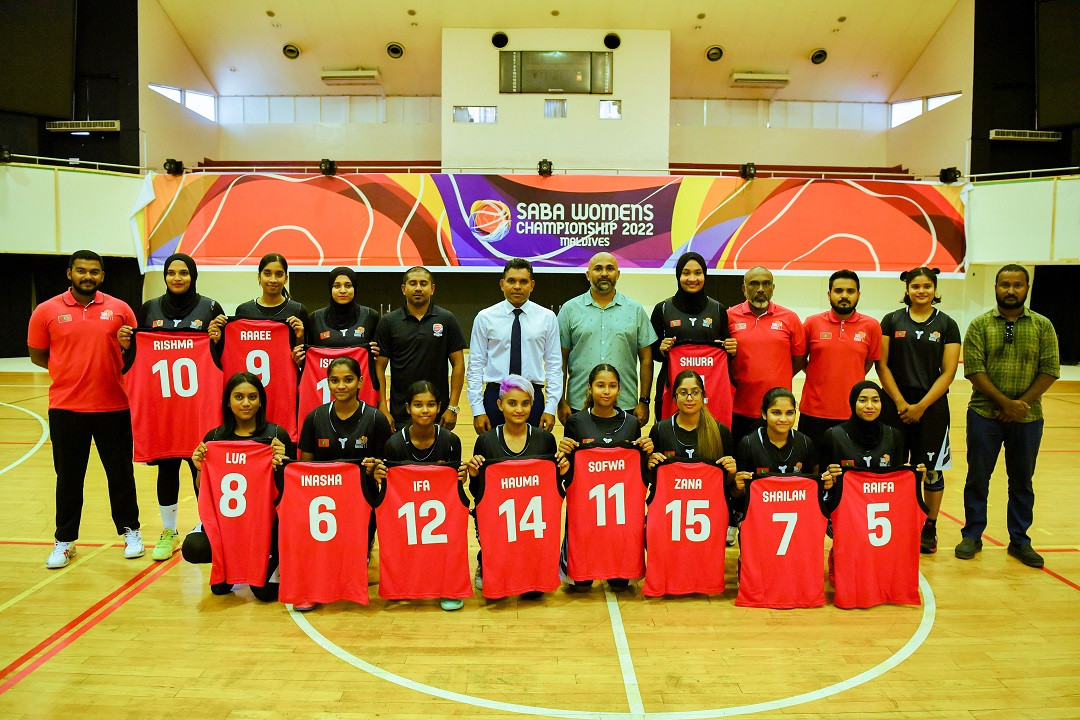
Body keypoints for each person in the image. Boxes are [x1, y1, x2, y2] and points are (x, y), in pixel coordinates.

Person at [28, 250, 144, 568]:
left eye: (94, 271)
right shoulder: (45, 311)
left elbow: (135, 353)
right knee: (68, 478)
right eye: (81, 271)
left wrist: (123, 347)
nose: (87, 276)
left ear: (102, 276)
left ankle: (131, 532)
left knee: (121, 475)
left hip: (114, 407)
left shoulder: (121, 310)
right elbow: (38, 355)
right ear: (69, 273)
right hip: (66, 408)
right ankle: (64, 541)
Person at [117, 252, 226, 561]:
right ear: (164, 276)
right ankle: (168, 529)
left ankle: (207, 525)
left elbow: (222, 356)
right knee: (166, 467)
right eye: (171, 273)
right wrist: (128, 345)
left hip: (199, 409)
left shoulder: (210, 308)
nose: (177, 278)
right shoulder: (150, 309)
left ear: (193, 276)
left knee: (201, 467)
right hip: (162, 409)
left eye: (184, 273)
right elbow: (136, 356)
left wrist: (217, 339)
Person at [955, 264, 1059, 568]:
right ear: (996, 288)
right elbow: (974, 369)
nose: (1010, 290)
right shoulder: (979, 325)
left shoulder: (1043, 325)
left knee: (1022, 481)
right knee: (978, 478)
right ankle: (972, 534)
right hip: (984, 416)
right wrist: (1004, 403)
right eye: (1004, 285)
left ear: (1026, 288)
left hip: (1027, 419)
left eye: (1017, 285)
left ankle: (1020, 540)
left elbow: (1050, 369)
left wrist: (1020, 405)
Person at [185, 372, 292, 600]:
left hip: (265, 526)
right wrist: (199, 468)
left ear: (261, 400)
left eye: (252, 397)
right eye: (239, 397)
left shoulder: (275, 435)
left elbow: (290, 493)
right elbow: (203, 490)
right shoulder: (214, 438)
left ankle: (276, 559)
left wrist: (283, 466)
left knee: (265, 594)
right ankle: (228, 564)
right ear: (228, 401)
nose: (246, 403)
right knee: (193, 547)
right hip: (227, 524)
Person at [876, 267, 961, 554]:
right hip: (895, 406)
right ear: (907, 289)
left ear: (935, 289)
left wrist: (922, 406)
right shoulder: (891, 320)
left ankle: (929, 527)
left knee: (932, 471)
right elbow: (882, 365)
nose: (921, 291)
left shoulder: (948, 324)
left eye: (927, 286)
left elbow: (948, 372)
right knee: (896, 469)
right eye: (915, 286)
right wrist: (900, 402)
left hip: (932, 408)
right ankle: (898, 523)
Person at [465, 375, 570, 599]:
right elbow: (478, 494)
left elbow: (552, 490)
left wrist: (563, 470)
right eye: (512, 403)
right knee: (497, 593)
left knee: (534, 594)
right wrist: (474, 475)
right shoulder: (486, 441)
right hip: (499, 524)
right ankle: (486, 561)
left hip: (532, 527)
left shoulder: (544, 440)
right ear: (500, 405)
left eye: (525, 403)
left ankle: (534, 568)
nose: (519, 410)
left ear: (532, 405)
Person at [558, 363, 654, 590]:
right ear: (589, 388)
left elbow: (638, 470)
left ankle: (619, 560)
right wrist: (563, 454)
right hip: (585, 516)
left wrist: (647, 452)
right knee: (580, 586)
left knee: (621, 585)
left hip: (619, 519)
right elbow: (568, 474)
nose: (606, 391)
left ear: (620, 390)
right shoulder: (575, 422)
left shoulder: (631, 424)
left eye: (612, 386)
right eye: (600, 385)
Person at [376, 380, 466, 611]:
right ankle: (400, 583)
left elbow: (455, 487)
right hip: (407, 519)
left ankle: (448, 587)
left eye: (430, 405)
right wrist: (379, 474)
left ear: (439, 407)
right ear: (407, 408)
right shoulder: (394, 444)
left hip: (440, 519)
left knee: (448, 539)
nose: (424, 411)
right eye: (418, 405)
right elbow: (388, 489)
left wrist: (461, 478)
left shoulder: (450, 441)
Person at [557, 252, 657, 427]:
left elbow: (647, 359)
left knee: (623, 455)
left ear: (618, 274)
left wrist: (644, 401)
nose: (604, 273)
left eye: (610, 268)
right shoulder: (569, 309)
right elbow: (559, 360)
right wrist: (560, 400)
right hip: (578, 405)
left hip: (626, 405)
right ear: (588, 274)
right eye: (598, 268)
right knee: (580, 455)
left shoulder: (635, 310)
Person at [468, 258, 562, 432]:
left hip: (532, 396)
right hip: (495, 395)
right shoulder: (485, 317)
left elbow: (554, 366)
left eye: (523, 281)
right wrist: (477, 410)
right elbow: (475, 366)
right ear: (502, 284)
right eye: (511, 281)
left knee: (532, 453)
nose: (517, 286)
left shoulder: (547, 318)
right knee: (495, 454)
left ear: (532, 285)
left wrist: (550, 408)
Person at [798, 269, 882, 462]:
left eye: (850, 291)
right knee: (814, 469)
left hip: (852, 413)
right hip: (814, 412)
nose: (844, 295)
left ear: (858, 295)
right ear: (829, 294)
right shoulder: (811, 323)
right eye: (838, 290)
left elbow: (867, 363)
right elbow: (802, 360)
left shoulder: (871, 326)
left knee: (847, 470)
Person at [374, 266, 466, 431]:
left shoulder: (447, 319)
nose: (418, 288)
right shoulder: (388, 321)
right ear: (404, 289)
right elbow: (379, 367)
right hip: (400, 414)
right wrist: (383, 407)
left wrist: (452, 407)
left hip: (437, 413)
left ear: (432, 289)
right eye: (413, 283)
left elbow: (458, 364)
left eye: (423, 283)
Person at [649, 252, 735, 421]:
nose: (692, 278)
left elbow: (726, 354)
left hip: (710, 393)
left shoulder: (718, 310)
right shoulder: (663, 309)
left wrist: (732, 350)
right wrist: (661, 349)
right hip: (671, 390)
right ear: (678, 275)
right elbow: (653, 354)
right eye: (686, 273)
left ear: (705, 275)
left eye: (698, 273)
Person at [726, 266, 806, 445]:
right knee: (742, 465)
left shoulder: (790, 318)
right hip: (739, 408)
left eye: (766, 283)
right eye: (754, 284)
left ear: (773, 288)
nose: (760, 289)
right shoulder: (729, 317)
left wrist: (779, 377)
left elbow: (800, 358)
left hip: (778, 410)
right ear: (744, 288)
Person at [818, 381, 908, 500]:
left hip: (883, 505)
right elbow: (822, 483)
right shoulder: (833, 436)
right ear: (853, 402)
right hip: (846, 506)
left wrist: (916, 476)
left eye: (875, 400)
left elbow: (898, 479)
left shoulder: (894, 435)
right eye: (863, 400)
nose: (869, 406)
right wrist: (828, 479)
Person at [648, 370, 737, 477]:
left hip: (708, 493)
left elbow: (727, 485)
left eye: (695, 392)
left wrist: (732, 474)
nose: (689, 398)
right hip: (672, 493)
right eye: (683, 392)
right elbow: (652, 480)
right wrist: (649, 467)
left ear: (703, 396)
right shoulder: (659, 430)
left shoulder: (720, 431)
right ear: (675, 398)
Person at [733, 387, 818, 493]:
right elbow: (737, 494)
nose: (783, 419)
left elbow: (811, 487)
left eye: (789, 413)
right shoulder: (748, 444)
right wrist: (738, 488)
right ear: (764, 414)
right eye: (776, 413)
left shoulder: (805, 442)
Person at [305, 265, 380, 383]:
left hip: (362, 388)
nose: (343, 290)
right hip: (323, 389)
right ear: (330, 288)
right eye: (337, 286)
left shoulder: (371, 316)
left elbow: (379, 359)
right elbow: (308, 358)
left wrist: (376, 354)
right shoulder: (315, 318)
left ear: (355, 287)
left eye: (348, 285)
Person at [231, 253, 309, 365]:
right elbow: (237, 350)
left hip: (286, 379)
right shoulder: (244, 310)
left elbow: (306, 359)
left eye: (279, 274)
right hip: (252, 380)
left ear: (286, 278)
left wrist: (300, 338)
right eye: (267, 274)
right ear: (259, 276)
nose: (273, 280)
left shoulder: (298, 310)